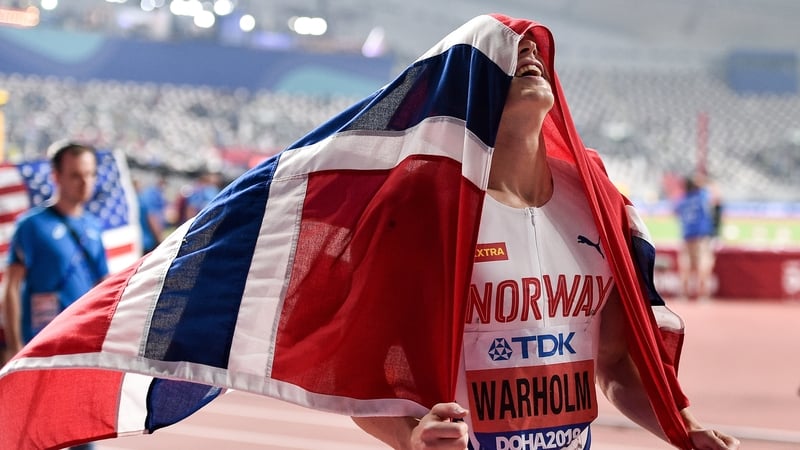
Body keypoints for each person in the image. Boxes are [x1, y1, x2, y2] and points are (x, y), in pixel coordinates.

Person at [351, 18, 739, 450]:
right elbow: (360, 367)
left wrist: (685, 428)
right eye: (503, 48)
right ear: (464, 82)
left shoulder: (594, 199)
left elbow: (612, 363)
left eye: (533, 48)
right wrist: (410, 438)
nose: (528, 51)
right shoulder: (424, 208)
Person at [2, 141, 108, 450]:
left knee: (86, 435)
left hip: (82, 349)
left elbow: (104, 287)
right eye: (76, 175)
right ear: (56, 177)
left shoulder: (93, 227)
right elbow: (11, 287)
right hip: (41, 348)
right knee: (36, 435)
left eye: (89, 174)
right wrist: (14, 345)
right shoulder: (32, 226)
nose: (84, 182)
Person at [674, 172, 720, 302]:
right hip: (701, 235)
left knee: (686, 264)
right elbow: (715, 194)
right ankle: (703, 294)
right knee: (704, 263)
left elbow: (676, 211)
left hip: (687, 234)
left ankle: (683, 293)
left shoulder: (682, 200)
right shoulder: (701, 196)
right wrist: (703, 181)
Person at [135, 175, 168, 254]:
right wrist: (160, 240)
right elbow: (152, 219)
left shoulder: (137, 198)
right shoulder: (146, 197)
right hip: (148, 241)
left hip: (140, 240)